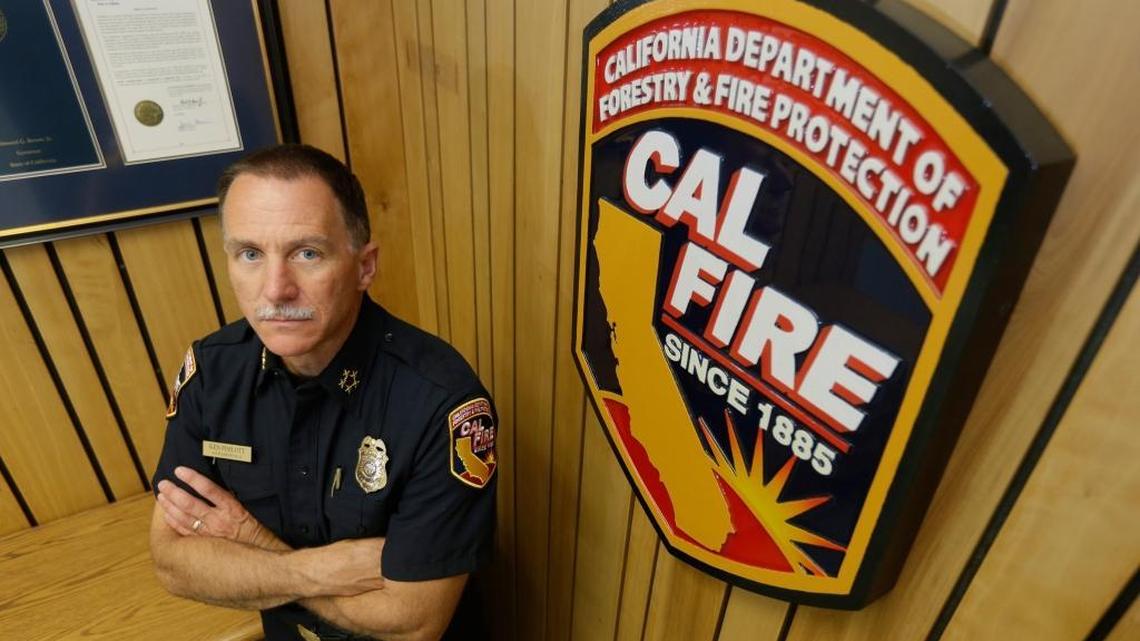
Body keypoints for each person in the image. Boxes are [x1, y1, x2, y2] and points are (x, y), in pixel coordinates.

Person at [149, 144, 498, 641]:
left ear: (364, 266)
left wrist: (249, 545)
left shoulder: (442, 403)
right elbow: (172, 562)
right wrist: (316, 570)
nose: (275, 290)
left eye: (307, 253)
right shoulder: (212, 372)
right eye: (250, 254)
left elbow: (413, 622)